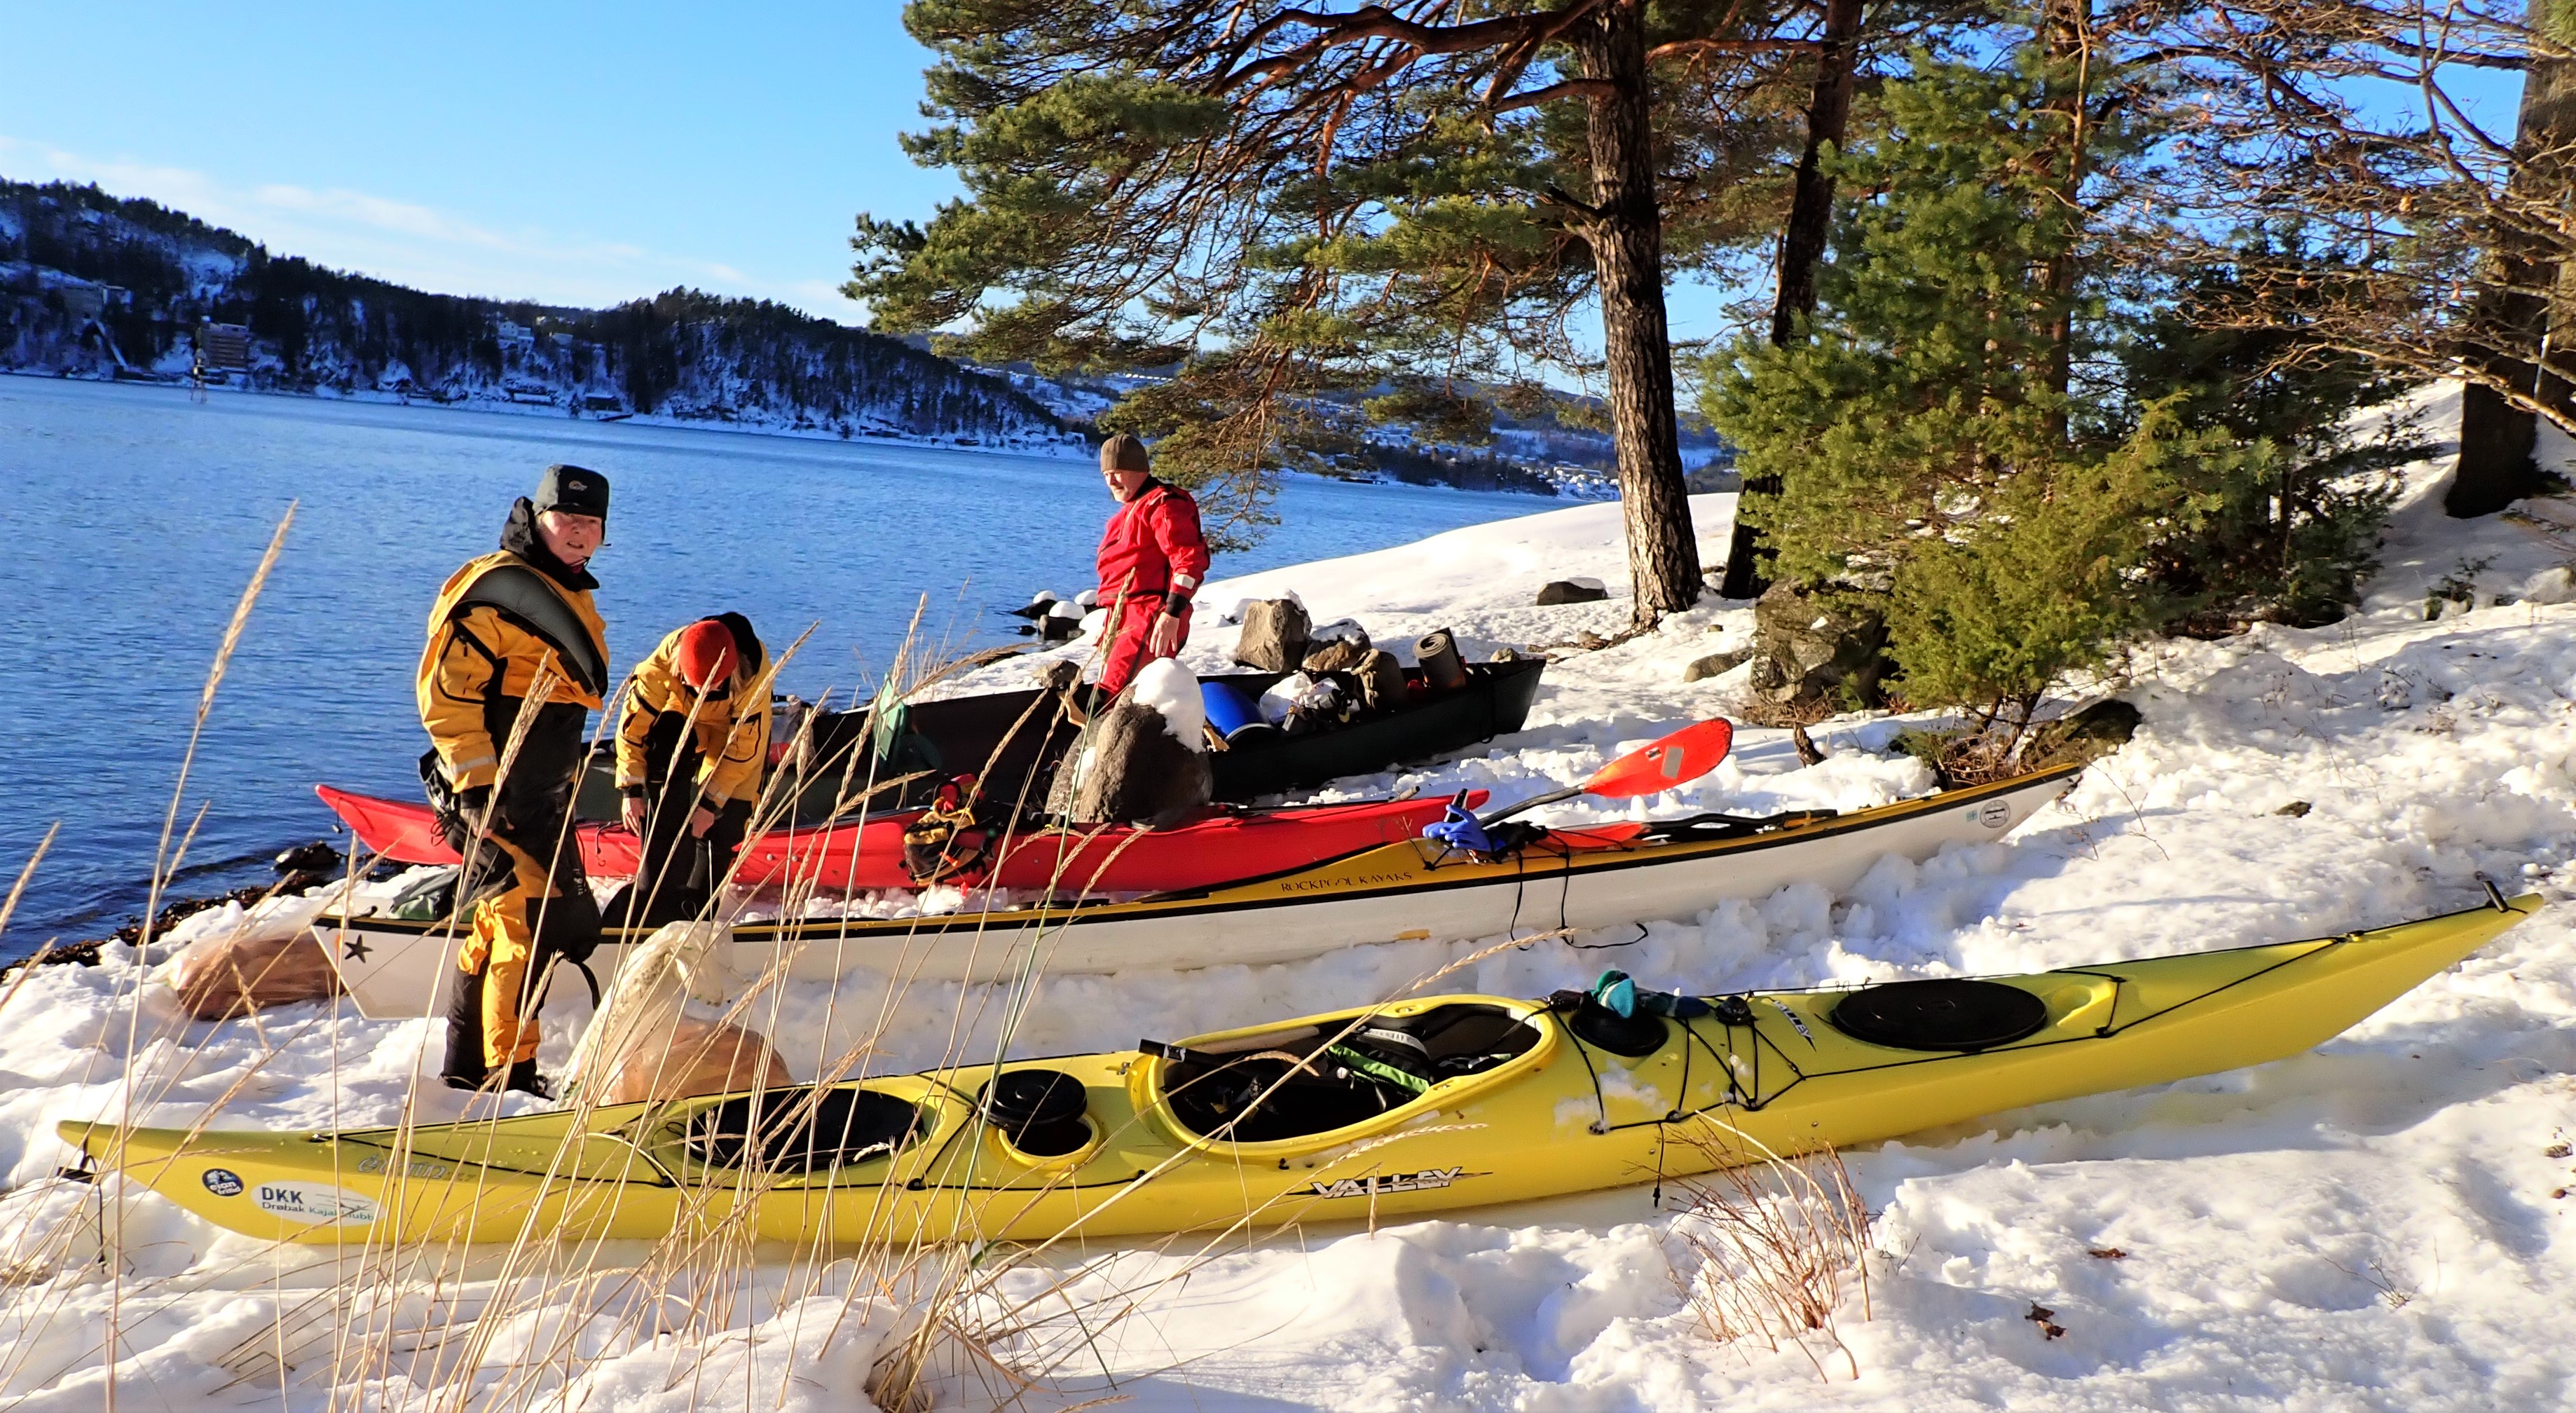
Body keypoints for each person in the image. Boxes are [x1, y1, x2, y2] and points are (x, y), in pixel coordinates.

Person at [416, 464, 612, 1094]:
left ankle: (464, 1066)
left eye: (592, 523)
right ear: (538, 517)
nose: (579, 533)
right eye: (567, 519)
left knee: (495, 923)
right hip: (495, 795)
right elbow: (447, 696)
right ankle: (510, 1072)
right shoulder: (496, 591)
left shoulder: (568, 588)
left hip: (539, 794)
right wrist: (474, 787)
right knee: (525, 930)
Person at [610, 614, 770, 928]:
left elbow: (742, 753)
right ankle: (656, 878)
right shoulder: (661, 666)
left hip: (733, 738)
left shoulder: (754, 677)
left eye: (713, 686)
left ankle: (698, 907)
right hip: (684, 721)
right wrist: (631, 790)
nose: (704, 693)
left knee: (727, 820)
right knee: (664, 745)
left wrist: (710, 805)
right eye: (696, 685)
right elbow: (632, 729)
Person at [1090, 432, 1210, 697]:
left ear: (1139, 470)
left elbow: (1189, 560)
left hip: (1150, 615)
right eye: (1106, 473)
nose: (1110, 481)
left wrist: (1172, 612)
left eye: (1118, 472)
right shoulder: (1132, 509)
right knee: (1115, 690)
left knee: (1115, 692)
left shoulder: (1163, 504)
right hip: (1123, 615)